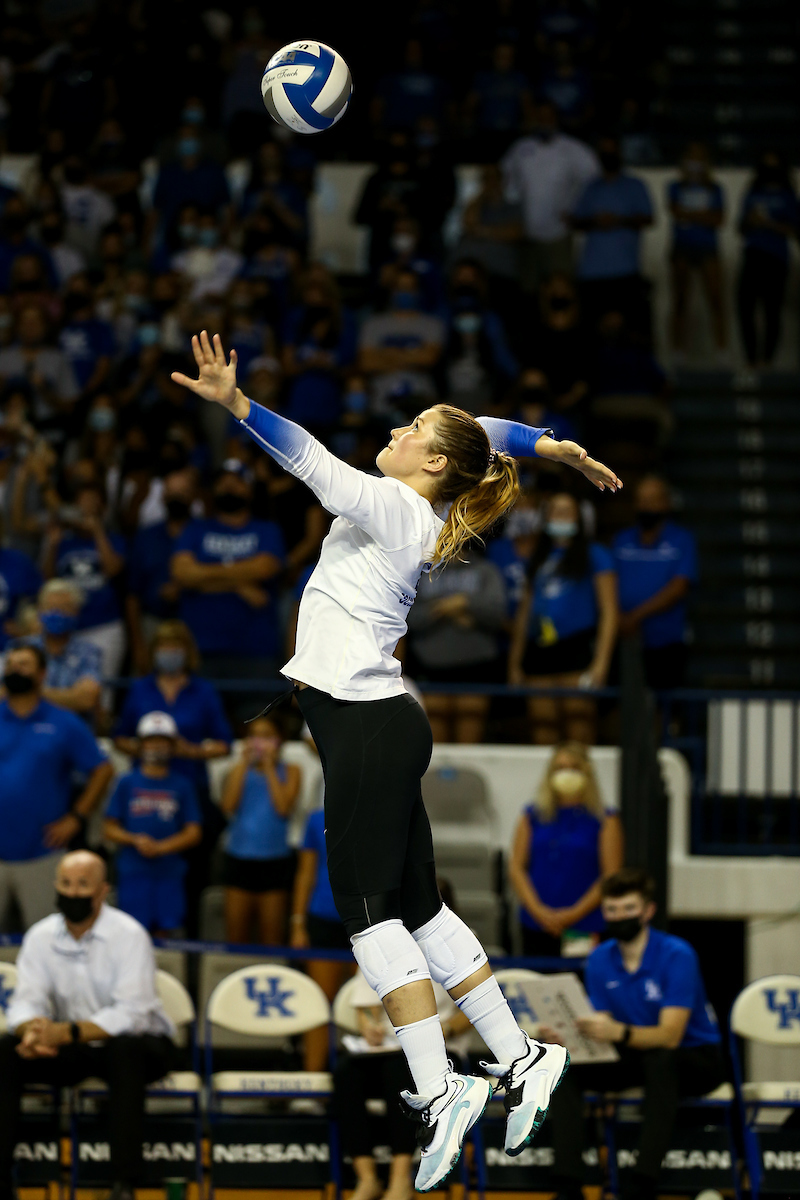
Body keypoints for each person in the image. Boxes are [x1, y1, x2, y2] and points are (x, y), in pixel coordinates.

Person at [171, 329, 621, 1190]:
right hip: (378, 723)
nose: (397, 429)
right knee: (418, 908)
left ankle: (439, 1085)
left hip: (368, 726)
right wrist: (546, 445)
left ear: (434, 462)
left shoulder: (392, 504)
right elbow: (478, 432)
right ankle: (520, 1056)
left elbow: (310, 461)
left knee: (368, 914)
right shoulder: (421, 501)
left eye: (413, 427)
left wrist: (238, 404)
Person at [0, 851, 176, 1200]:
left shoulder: (129, 934)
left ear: (102, 891)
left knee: (125, 1050)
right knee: (5, 1051)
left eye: (83, 885)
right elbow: (26, 1000)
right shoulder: (40, 936)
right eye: (66, 883)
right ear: (56, 885)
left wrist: (67, 1032)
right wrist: (30, 1032)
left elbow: (133, 1013)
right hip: (72, 1047)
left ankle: (124, 1183)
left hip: (140, 1045)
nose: (73, 892)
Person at [545, 868, 727, 1200]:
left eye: (629, 908)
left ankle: (642, 1183)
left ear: (648, 911)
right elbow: (602, 1023)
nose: (620, 917)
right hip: (635, 1052)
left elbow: (670, 1036)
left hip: (695, 1056)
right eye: (612, 910)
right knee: (565, 1068)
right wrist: (566, 1035)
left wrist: (617, 1031)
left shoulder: (677, 955)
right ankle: (568, 1186)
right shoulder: (599, 959)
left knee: (661, 1059)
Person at [113, 619, 231, 936]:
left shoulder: (202, 691)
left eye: (175, 647)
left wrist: (189, 751)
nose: (169, 653)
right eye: (163, 647)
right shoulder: (140, 689)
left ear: (187, 652)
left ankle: (187, 943)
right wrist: (147, 750)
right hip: (144, 791)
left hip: (190, 789)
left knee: (190, 878)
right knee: (139, 873)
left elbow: (224, 744)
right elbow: (119, 736)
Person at [0, 641, 112, 931]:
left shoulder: (63, 722)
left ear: (42, 674)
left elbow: (102, 769)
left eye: (23, 664)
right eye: (10, 664)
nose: (14, 669)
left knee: (47, 939)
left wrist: (77, 817)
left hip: (42, 851)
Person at [509, 491, 618, 744]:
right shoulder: (538, 557)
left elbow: (609, 612)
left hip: (577, 649)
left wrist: (601, 664)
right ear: (545, 518)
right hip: (539, 650)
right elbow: (524, 614)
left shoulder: (596, 554)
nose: (560, 516)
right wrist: (515, 663)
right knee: (542, 728)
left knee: (578, 728)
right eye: (554, 511)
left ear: (579, 517)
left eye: (567, 511)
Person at [170, 459, 285, 686]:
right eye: (222, 482)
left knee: (259, 711)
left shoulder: (267, 530)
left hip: (255, 650)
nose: (228, 486)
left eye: (236, 482)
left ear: (250, 490)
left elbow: (265, 568)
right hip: (200, 649)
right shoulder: (195, 529)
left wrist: (204, 579)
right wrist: (240, 584)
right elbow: (182, 573)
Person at [509, 742, 623, 957]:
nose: (567, 773)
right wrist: (539, 912)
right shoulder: (532, 816)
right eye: (560, 768)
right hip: (536, 923)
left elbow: (610, 876)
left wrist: (571, 915)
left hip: (586, 925)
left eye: (574, 767)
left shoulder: (605, 819)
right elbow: (516, 868)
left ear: (587, 773)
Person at [104, 711, 202, 936]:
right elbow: (109, 828)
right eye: (150, 741)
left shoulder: (183, 785)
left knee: (167, 934)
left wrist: (161, 847)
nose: (156, 747)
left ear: (173, 746)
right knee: (131, 932)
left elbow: (193, 832)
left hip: (170, 874)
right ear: (140, 745)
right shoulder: (126, 782)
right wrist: (135, 840)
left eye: (163, 741)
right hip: (133, 873)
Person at [406, 548, 507, 743]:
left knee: (468, 746)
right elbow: (407, 618)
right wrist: (443, 608)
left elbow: (498, 615)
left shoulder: (485, 570)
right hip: (430, 667)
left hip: (475, 666)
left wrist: (466, 602)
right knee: (434, 745)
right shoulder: (420, 572)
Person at [502, 102, 599, 292]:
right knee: (528, 290)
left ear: (556, 119)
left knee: (560, 288)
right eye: (540, 117)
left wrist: (577, 210)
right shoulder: (521, 148)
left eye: (549, 117)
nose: (544, 121)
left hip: (558, 234)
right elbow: (506, 182)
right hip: (526, 236)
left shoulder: (573, 149)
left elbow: (594, 180)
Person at [221, 715, 301, 945]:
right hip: (238, 858)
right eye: (254, 736)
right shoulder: (237, 769)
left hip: (275, 861)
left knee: (271, 937)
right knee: (236, 936)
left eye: (267, 736)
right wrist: (243, 764)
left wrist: (269, 768)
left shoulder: (292, 771)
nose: (260, 742)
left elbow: (283, 808)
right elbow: (228, 806)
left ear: (279, 740)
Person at [612, 475, 698, 689]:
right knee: (621, 699)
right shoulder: (621, 540)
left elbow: (679, 587)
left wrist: (635, 617)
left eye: (652, 500)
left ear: (666, 503)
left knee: (666, 700)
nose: (646, 506)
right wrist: (618, 618)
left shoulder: (682, 540)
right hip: (622, 637)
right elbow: (608, 583)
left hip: (666, 641)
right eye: (641, 500)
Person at [43, 481, 127, 680]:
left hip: (103, 625)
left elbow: (113, 570)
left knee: (100, 686)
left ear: (102, 508)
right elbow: (47, 579)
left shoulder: (114, 539)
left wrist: (98, 532)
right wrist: (52, 544)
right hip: (67, 628)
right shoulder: (64, 541)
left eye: (92, 503)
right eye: (82, 503)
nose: (86, 508)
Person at [570, 136, 654, 334]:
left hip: (625, 270)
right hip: (591, 272)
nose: (608, 156)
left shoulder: (634, 185)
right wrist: (596, 221)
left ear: (619, 153)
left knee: (629, 331)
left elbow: (648, 219)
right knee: (591, 331)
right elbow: (577, 221)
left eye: (611, 151)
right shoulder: (591, 187)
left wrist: (618, 220)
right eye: (604, 152)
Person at [125, 468, 197, 674]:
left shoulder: (205, 533)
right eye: (171, 493)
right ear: (163, 497)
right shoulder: (146, 537)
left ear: (193, 496)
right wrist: (138, 644)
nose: (176, 499)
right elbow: (132, 595)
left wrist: (183, 587)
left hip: (197, 625)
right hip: (152, 623)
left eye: (182, 493)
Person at [736, 150, 800, 368]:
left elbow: (794, 230)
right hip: (753, 253)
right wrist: (751, 220)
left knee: (772, 309)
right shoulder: (753, 193)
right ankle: (751, 359)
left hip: (776, 257)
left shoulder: (788, 196)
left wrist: (768, 223)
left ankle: (767, 360)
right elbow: (740, 227)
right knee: (745, 306)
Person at [667, 143, 726, 359]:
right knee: (680, 299)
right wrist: (703, 215)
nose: (695, 163)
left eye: (699, 158)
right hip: (682, 246)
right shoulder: (675, 186)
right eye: (692, 157)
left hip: (708, 247)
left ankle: (722, 350)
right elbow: (675, 212)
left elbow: (718, 219)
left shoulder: (715, 188)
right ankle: (677, 350)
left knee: (716, 299)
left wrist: (689, 214)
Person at [358, 270, 445, 415]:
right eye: (400, 287)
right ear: (392, 291)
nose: (405, 292)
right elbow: (367, 363)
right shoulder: (373, 324)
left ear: (418, 291)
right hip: (381, 403)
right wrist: (413, 356)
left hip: (422, 404)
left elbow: (429, 359)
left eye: (410, 287)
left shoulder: (433, 324)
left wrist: (386, 354)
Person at [36, 579, 103, 719]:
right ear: (40, 610)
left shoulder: (88, 652)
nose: (56, 613)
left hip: (71, 727)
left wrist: (30, 693)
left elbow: (86, 699)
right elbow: (3, 694)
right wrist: (69, 697)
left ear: (76, 612)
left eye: (63, 608)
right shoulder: (21, 647)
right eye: (51, 607)